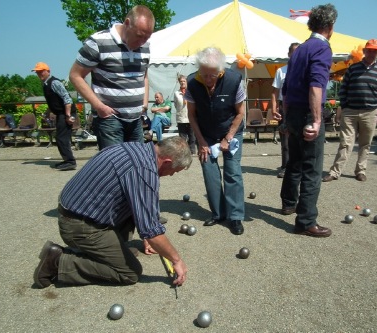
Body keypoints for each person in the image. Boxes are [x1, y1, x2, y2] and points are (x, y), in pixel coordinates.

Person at [33, 136, 192, 288]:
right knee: (129, 272)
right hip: (78, 226)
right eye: (174, 171)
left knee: (139, 212)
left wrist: (148, 234)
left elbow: (144, 207)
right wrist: (176, 260)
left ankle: (110, 251)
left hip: (76, 211)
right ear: (167, 161)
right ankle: (57, 262)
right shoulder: (144, 171)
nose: (171, 174)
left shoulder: (137, 149)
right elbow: (151, 230)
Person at [278, 4, 337, 238]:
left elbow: (286, 87)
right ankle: (305, 221)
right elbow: (316, 86)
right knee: (312, 168)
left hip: (293, 111)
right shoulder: (321, 48)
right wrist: (316, 120)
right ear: (330, 27)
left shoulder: (300, 49)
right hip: (305, 112)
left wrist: (286, 116)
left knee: (295, 161)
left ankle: (289, 203)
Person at [69, 5, 154, 150]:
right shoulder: (98, 42)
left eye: (147, 37)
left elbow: (143, 75)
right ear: (127, 23)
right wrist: (99, 106)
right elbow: (75, 75)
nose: (142, 42)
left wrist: (144, 104)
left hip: (135, 119)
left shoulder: (145, 46)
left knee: (137, 163)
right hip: (110, 119)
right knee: (115, 165)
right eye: (139, 36)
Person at [185, 47, 246, 235]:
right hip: (207, 134)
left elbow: (240, 113)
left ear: (221, 71)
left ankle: (235, 217)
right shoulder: (192, 82)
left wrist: (228, 138)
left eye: (213, 75)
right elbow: (192, 116)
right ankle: (219, 213)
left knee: (232, 172)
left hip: (231, 131)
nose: (209, 80)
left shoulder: (234, 80)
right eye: (204, 75)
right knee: (209, 171)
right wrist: (201, 142)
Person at [322, 38, 377, 183]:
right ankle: (335, 172)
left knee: (365, 143)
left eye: (375, 51)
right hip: (350, 111)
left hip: (371, 112)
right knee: (345, 143)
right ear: (364, 51)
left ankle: (360, 170)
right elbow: (343, 89)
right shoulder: (353, 68)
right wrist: (345, 106)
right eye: (369, 50)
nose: (372, 53)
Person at [33, 62, 77, 171]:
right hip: (61, 113)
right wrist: (48, 112)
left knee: (62, 138)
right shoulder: (46, 84)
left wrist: (67, 116)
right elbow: (53, 101)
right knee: (61, 137)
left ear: (48, 71)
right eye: (37, 72)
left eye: (41, 71)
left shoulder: (54, 82)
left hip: (65, 113)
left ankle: (70, 161)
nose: (39, 74)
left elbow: (67, 99)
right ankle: (67, 160)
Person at [271, 42, 300, 178]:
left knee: (301, 138)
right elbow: (274, 92)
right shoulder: (281, 71)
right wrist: (274, 108)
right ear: (288, 54)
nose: (295, 55)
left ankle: (298, 167)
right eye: (293, 52)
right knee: (285, 140)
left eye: (298, 52)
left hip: (300, 106)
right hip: (284, 107)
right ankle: (285, 166)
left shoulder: (304, 70)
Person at [174, 75, 197, 154]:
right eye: (181, 81)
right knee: (182, 136)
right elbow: (176, 105)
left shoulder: (191, 92)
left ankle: (192, 151)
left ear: (186, 82)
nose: (182, 83)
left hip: (191, 117)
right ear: (179, 82)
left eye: (184, 81)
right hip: (181, 117)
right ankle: (183, 151)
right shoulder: (176, 93)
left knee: (192, 135)